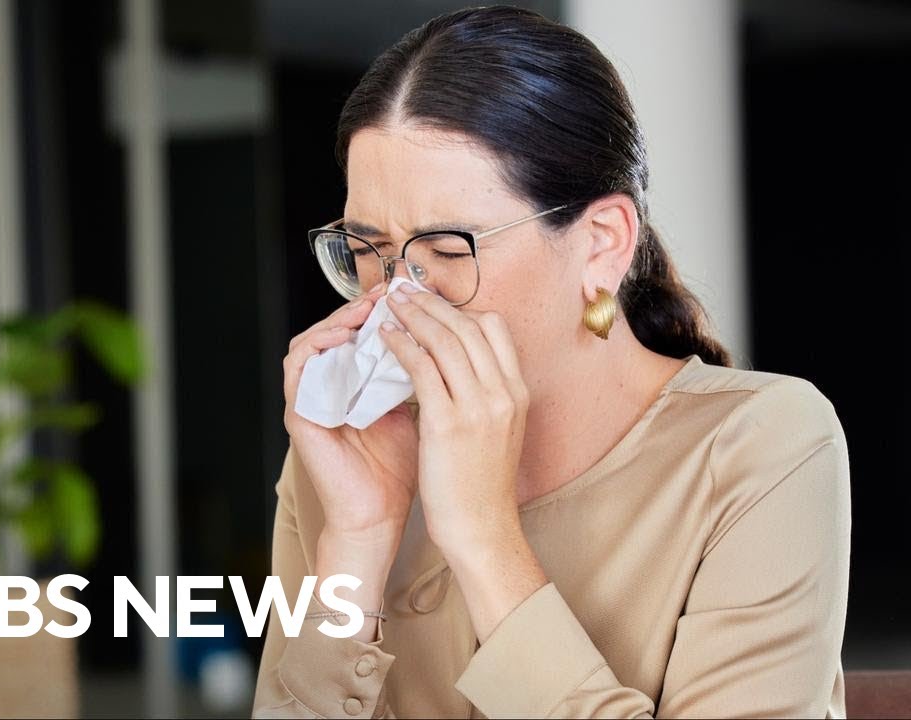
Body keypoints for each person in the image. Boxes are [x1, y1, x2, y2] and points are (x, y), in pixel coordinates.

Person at [254, 6, 850, 718]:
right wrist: (357, 540)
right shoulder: (347, 459)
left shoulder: (763, 446)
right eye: (368, 250)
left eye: (448, 250)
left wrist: (483, 537)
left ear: (602, 242)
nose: (398, 298)